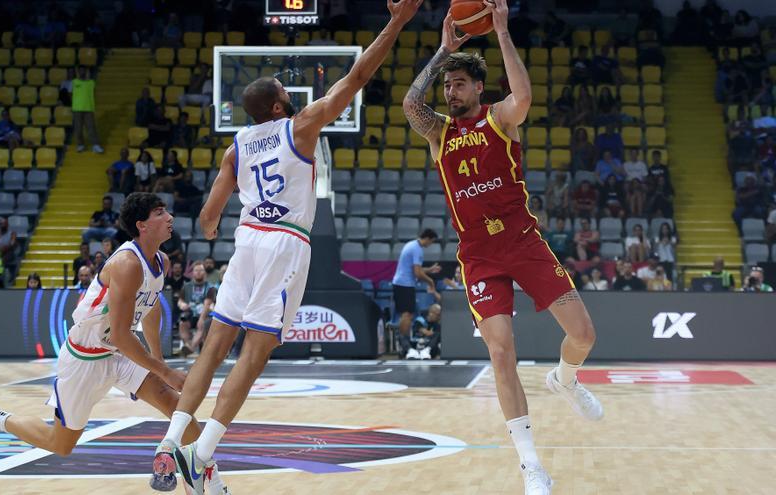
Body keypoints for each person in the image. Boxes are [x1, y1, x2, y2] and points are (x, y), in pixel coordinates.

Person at [150, 3, 422, 493]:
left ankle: (170, 443)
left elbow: (209, 219)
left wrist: (213, 227)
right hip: (284, 244)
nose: (290, 94)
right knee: (255, 355)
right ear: (278, 106)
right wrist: (397, 22)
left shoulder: (236, 145)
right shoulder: (300, 127)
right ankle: (202, 452)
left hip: (247, 241)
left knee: (212, 349)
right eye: (284, 91)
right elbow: (357, 76)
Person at [402, 3, 602, 493]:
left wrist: (503, 31)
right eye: (447, 86)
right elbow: (410, 104)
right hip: (479, 256)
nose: (450, 92)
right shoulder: (439, 132)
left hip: (523, 242)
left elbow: (525, 94)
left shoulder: (498, 119)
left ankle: (565, 379)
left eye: (458, 84)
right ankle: (532, 465)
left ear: (477, 88)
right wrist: (444, 53)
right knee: (500, 353)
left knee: (583, 336)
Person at [0, 192, 231, 494]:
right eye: (160, 213)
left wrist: (160, 364)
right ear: (141, 225)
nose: (170, 217)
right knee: (61, 443)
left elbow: (151, 308)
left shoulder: (160, 260)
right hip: (86, 357)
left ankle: (205, 483)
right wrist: (162, 371)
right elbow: (120, 333)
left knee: (177, 407)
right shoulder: (126, 265)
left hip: (119, 353)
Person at [391, 229, 441, 357]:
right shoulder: (417, 249)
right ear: (428, 239)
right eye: (432, 242)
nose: (430, 245)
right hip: (404, 284)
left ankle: (404, 345)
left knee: (407, 315)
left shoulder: (411, 245)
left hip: (403, 284)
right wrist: (431, 282)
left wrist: (429, 270)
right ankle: (403, 346)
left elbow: (416, 269)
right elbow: (417, 273)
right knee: (407, 315)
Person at [177, 262, 216, 356]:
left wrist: (201, 318)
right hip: (191, 312)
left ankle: (191, 348)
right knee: (183, 323)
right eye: (196, 270)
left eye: (201, 270)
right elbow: (180, 301)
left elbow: (208, 304)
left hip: (205, 313)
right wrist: (182, 305)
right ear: (193, 273)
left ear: (205, 273)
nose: (198, 272)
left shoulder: (210, 287)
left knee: (202, 324)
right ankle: (188, 345)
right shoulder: (187, 286)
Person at [72, 66, 104, 153]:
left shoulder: (91, 83)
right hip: (77, 109)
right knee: (78, 128)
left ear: (86, 72)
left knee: (91, 128)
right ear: (78, 72)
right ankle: (80, 145)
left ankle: (95, 145)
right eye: (80, 70)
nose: (82, 72)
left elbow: (93, 93)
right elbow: (69, 94)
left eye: (84, 71)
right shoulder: (74, 82)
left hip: (89, 109)